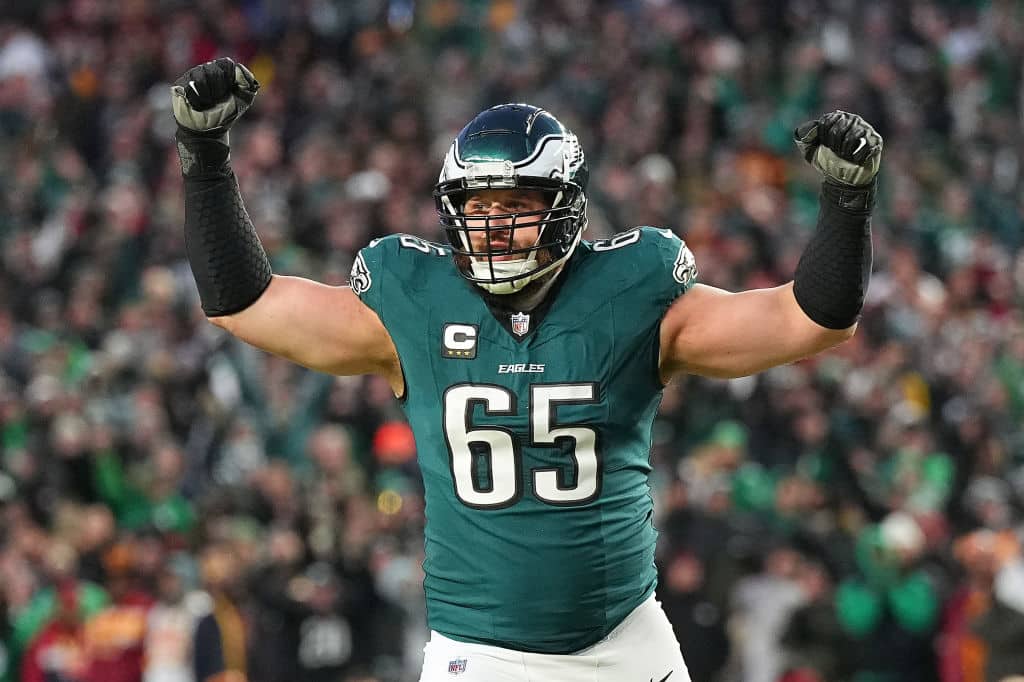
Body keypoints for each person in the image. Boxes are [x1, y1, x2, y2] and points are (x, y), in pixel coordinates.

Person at [170, 57, 883, 682]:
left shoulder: (633, 294)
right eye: (479, 208)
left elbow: (809, 320)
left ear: (566, 211)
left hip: (624, 641)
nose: (496, 226)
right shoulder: (412, 304)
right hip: (479, 653)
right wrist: (205, 158)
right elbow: (246, 304)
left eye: (517, 205)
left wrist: (847, 206)